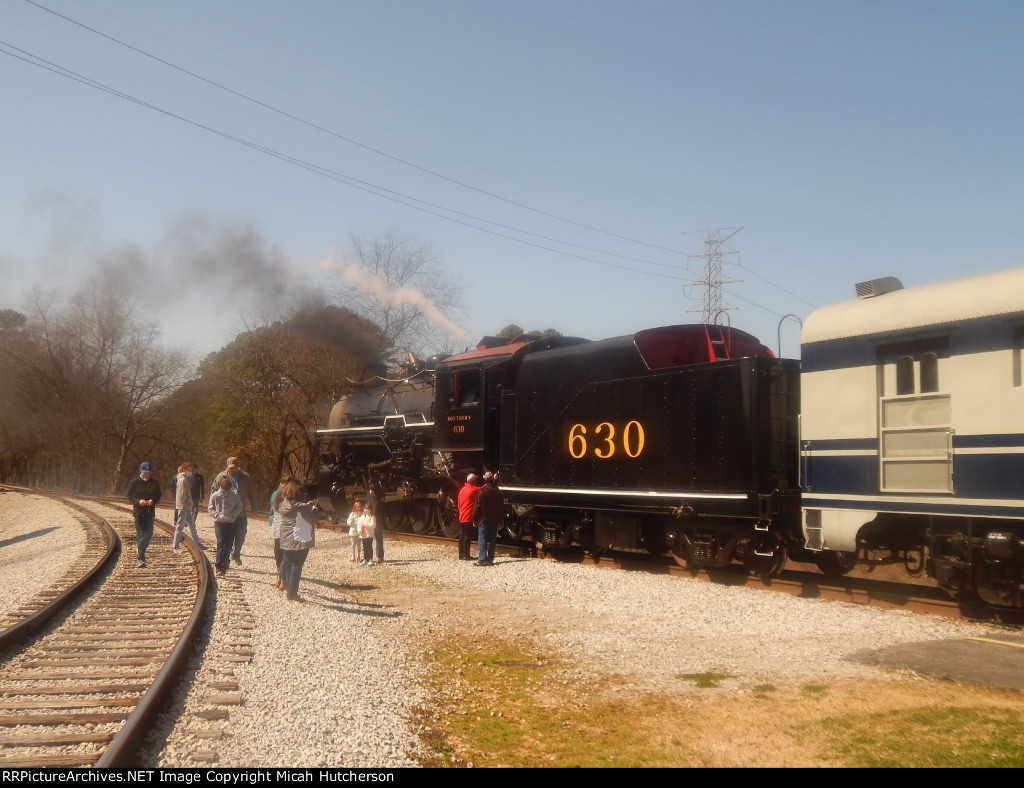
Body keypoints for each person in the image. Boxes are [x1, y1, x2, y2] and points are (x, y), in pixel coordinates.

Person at [275, 479, 318, 601]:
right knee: (297, 565)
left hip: (286, 538)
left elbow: (298, 508)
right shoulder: (302, 508)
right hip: (300, 539)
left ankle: (286, 583)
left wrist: (307, 505)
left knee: (288, 562)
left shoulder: (283, 504)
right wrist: (314, 508)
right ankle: (292, 593)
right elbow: (313, 518)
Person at [213, 456, 256, 567]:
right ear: (227, 466)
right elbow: (213, 492)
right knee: (228, 538)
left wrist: (254, 508)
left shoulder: (245, 477)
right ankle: (226, 559)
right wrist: (215, 508)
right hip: (225, 514)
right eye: (231, 467)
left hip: (240, 512)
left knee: (241, 535)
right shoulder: (221, 476)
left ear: (238, 467)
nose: (233, 469)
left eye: (235, 467)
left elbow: (251, 492)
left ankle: (236, 554)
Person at [126, 461, 162, 568]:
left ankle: (140, 549)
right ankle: (141, 558)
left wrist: (153, 501)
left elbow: (158, 495)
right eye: (145, 472)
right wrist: (138, 502)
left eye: (148, 472)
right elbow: (129, 496)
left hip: (149, 511)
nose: (147, 474)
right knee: (141, 535)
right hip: (138, 512)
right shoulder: (134, 482)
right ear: (140, 470)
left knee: (149, 534)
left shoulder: (155, 482)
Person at [208, 475, 243, 578]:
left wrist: (233, 515)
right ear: (221, 487)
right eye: (224, 489)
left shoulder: (235, 495)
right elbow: (210, 508)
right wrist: (216, 515)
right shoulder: (215, 495)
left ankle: (226, 562)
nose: (226, 491)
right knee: (221, 543)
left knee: (228, 544)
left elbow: (239, 507)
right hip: (219, 523)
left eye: (228, 489)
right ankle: (219, 566)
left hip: (230, 523)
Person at [473, 471, 502, 566]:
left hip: (483, 519)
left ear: (485, 479)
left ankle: (482, 559)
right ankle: (490, 559)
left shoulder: (482, 492)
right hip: (494, 519)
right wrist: (500, 520)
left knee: (482, 538)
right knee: (492, 539)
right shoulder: (497, 491)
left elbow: (477, 507)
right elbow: (501, 507)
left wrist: (474, 519)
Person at [172, 461, 203, 551]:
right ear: (184, 469)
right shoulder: (182, 480)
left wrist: (190, 504)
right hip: (183, 506)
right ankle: (175, 545)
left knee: (192, 524)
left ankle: (197, 542)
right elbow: (182, 496)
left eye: (191, 469)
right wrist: (189, 504)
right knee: (180, 525)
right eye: (189, 469)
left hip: (186, 506)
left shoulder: (185, 479)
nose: (191, 471)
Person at [268, 474, 291, 587]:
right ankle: (284, 580)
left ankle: (279, 578)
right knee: (286, 554)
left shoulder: (274, 494)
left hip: (276, 526)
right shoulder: (290, 494)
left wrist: (272, 521)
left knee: (278, 553)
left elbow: (271, 511)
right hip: (286, 527)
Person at [457, 473, 483, 560]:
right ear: (474, 481)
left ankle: (461, 554)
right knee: (467, 537)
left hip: (462, 516)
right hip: (468, 517)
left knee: (462, 536)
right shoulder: (473, 489)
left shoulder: (462, 490)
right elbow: (484, 488)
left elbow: (459, 504)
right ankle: (466, 555)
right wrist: (493, 480)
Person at [367, 470, 385, 563]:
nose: (371, 487)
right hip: (370, 517)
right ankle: (369, 557)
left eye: (372, 484)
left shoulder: (380, 492)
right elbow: (369, 504)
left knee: (378, 536)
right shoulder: (368, 493)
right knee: (368, 537)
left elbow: (379, 503)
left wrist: (374, 495)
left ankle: (380, 556)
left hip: (377, 517)